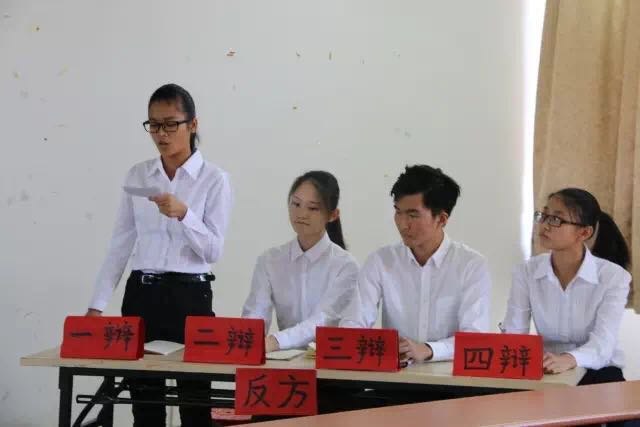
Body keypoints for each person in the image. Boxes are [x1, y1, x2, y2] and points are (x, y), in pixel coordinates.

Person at [86, 83, 233, 427]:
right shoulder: (139, 175)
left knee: (194, 403)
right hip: (142, 294)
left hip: (190, 296)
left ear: (192, 124)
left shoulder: (214, 179)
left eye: (170, 124)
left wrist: (185, 215)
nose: (161, 135)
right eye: (153, 125)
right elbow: (120, 245)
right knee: (145, 403)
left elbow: (214, 250)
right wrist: (96, 306)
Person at [342, 164, 491, 368]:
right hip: (395, 376)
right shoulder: (381, 261)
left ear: (441, 219)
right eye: (398, 212)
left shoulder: (471, 265)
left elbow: (474, 337)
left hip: (450, 378)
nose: (403, 224)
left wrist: (429, 349)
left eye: (413, 215)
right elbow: (352, 325)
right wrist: (376, 345)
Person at [502, 188, 630, 384]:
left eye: (556, 219)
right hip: (547, 369)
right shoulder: (526, 272)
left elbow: (603, 345)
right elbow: (514, 334)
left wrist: (570, 359)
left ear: (584, 232)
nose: (544, 225)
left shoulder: (614, 277)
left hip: (599, 372)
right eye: (544, 215)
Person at [242, 171, 359, 352]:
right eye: (296, 204)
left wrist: (275, 341)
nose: (301, 214)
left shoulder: (345, 265)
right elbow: (256, 313)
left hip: (329, 360)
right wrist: (248, 339)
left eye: (313, 208)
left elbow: (323, 319)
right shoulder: (270, 260)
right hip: (285, 361)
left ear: (333, 215)